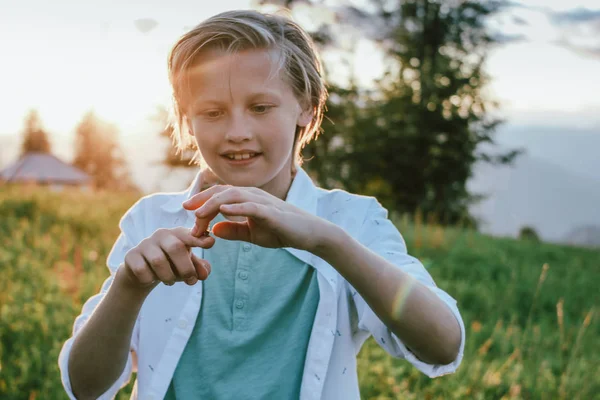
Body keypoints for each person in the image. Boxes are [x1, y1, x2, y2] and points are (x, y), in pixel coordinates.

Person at [58, 9, 465, 400]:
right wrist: (129, 287)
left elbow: (443, 346)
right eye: (212, 112)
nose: (237, 132)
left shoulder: (351, 221)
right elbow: (86, 386)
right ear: (187, 118)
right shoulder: (151, 221)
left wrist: (329, 243)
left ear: (305, 105)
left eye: (260, 108)